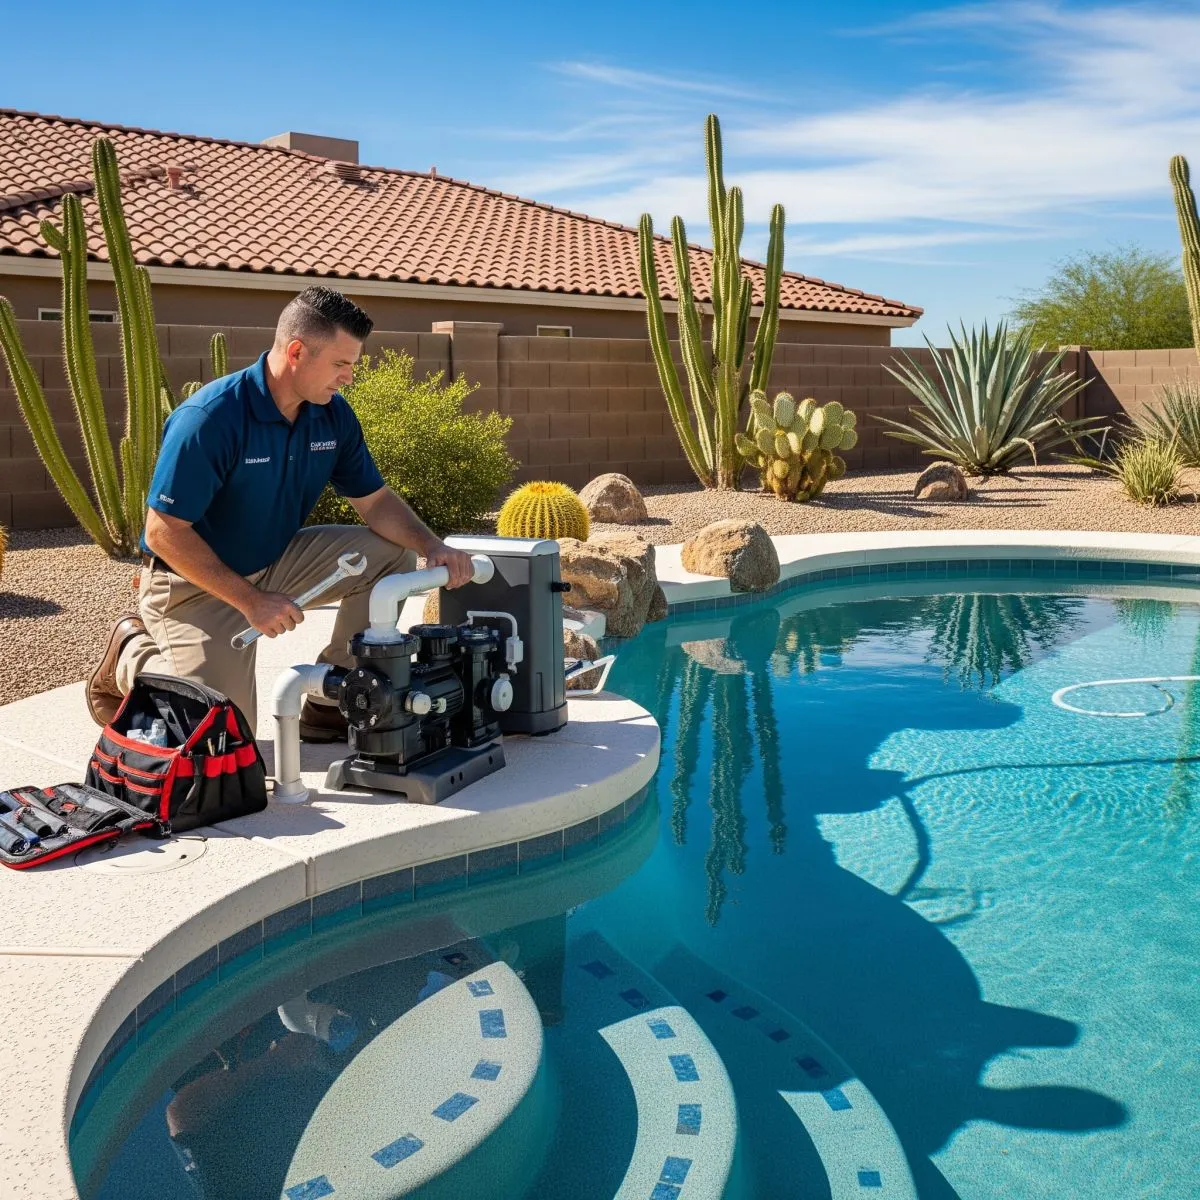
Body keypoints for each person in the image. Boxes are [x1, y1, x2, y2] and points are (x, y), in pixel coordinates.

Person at [86, 286, 474, 740]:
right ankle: (132, 653)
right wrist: (251, 602)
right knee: (225, 740)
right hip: (195, 586)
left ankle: (332, 702)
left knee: (391, 557)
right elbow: (164, 531)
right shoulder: (211, 418)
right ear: (296, 352)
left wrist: (433, 546)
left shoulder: (332, 416)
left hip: (276, 563)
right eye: (340, 364)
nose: (349, 377)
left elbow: (376, 501)